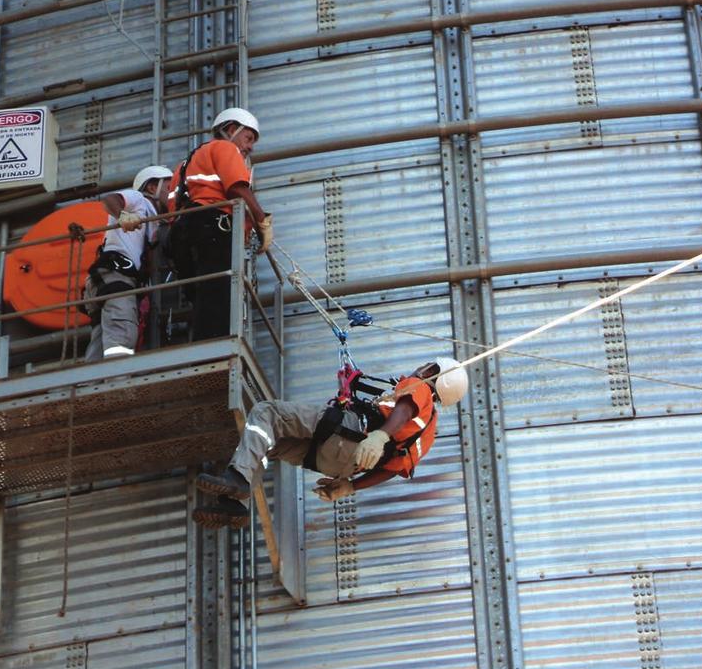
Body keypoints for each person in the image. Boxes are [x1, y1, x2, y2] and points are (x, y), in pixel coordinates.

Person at [191, 357, 470, 529]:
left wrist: (381, 434)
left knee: (267, 413)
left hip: (347, 432)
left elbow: (405, 408)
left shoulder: (419, 388)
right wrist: (350, 486)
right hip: (340, 465)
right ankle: (233, 504)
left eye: (430, 366)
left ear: (434, 373)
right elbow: (392, 469)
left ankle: (238, 479)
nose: (423, 367)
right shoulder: (426, 438)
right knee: (265, 444)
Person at [167, 107, 273, 342]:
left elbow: (172, 208)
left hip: (181, 236)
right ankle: (213, 360)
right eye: (248, 138)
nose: (250, 147)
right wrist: (260, 219)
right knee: (217, 297)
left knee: (203, 299)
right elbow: (237, 186)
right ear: (231, 130)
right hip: (210, 229)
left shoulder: (184, 166)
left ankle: (204, 353)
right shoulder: (225, 148)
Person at [83, 165, 173, 361]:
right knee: (122, 337)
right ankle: (116, 388)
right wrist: (122, 215)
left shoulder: (155, 220)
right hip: (116, 277)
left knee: (101, 342)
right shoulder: (139, 200)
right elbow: (110, 200)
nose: (172, 192)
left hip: (107, 280)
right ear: (152, 188)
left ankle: (92, 388)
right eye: (168, 187)